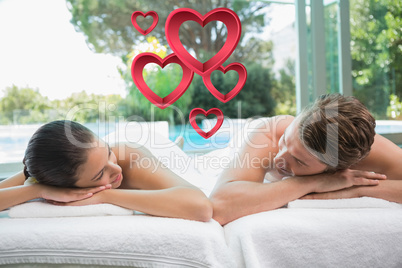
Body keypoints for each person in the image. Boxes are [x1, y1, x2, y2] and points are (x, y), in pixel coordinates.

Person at [210, 94, 402, 225]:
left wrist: (356, 189)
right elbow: (219, 205)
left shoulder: (363, 150)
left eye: (299, 161)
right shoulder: (273, 133)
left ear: (339, 168)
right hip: (241, 147)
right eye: (286, 140)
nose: (279, 159)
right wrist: (316, 182)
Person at [0, 120, 212, 222]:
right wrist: (35, 191)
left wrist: (105, 195)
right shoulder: (45, 169)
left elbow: (201, 207)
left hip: (146, 144)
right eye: (99, 174)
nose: (116, 168)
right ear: (64, 186)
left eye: (108, 153)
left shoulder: (127, 159)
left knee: (174, 158)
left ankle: (175, 146)